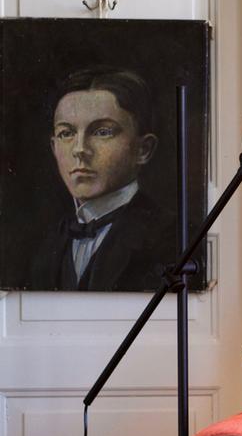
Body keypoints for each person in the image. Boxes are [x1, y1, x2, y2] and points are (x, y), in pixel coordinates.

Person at [28, 66, 177, 292]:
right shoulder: (44, 245)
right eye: (66, 133)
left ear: (143, 149)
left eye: (102, 132)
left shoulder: (173, 236)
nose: (79, 149)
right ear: (53, 146)